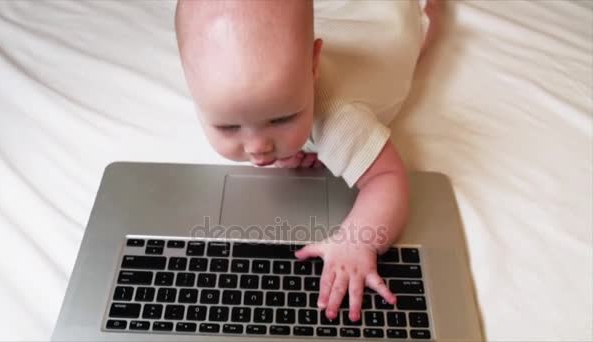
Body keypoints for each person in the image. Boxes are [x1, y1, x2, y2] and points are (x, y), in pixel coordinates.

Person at [175, 0, 439, 322]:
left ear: (313, 65)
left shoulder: (339, 115)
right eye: (228, 126)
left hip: (392, 17)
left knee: (422, 30)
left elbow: (388, 177)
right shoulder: (225, 74)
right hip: (349, 19)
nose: (258, 148)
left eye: (282, 118)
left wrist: (356, 243)